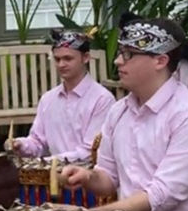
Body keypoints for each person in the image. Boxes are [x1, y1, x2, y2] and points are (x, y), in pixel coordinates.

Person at [61, 19, 188, 211]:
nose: (118, 61)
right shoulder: (118, 111)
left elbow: (161, 195)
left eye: (128, 54)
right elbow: (108, 177)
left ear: (160, 61)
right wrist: (87, 177)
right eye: (120, 53)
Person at [12, 29, 115, 162]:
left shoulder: (102, 99)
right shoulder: (48, 99)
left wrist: (49, 162)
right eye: (57, 59)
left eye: (68, 58)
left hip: (87, 173)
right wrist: (21, 145)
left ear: (86, 58)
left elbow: (90, 152)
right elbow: (38, 142)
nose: (61, 64)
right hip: (53, 171)